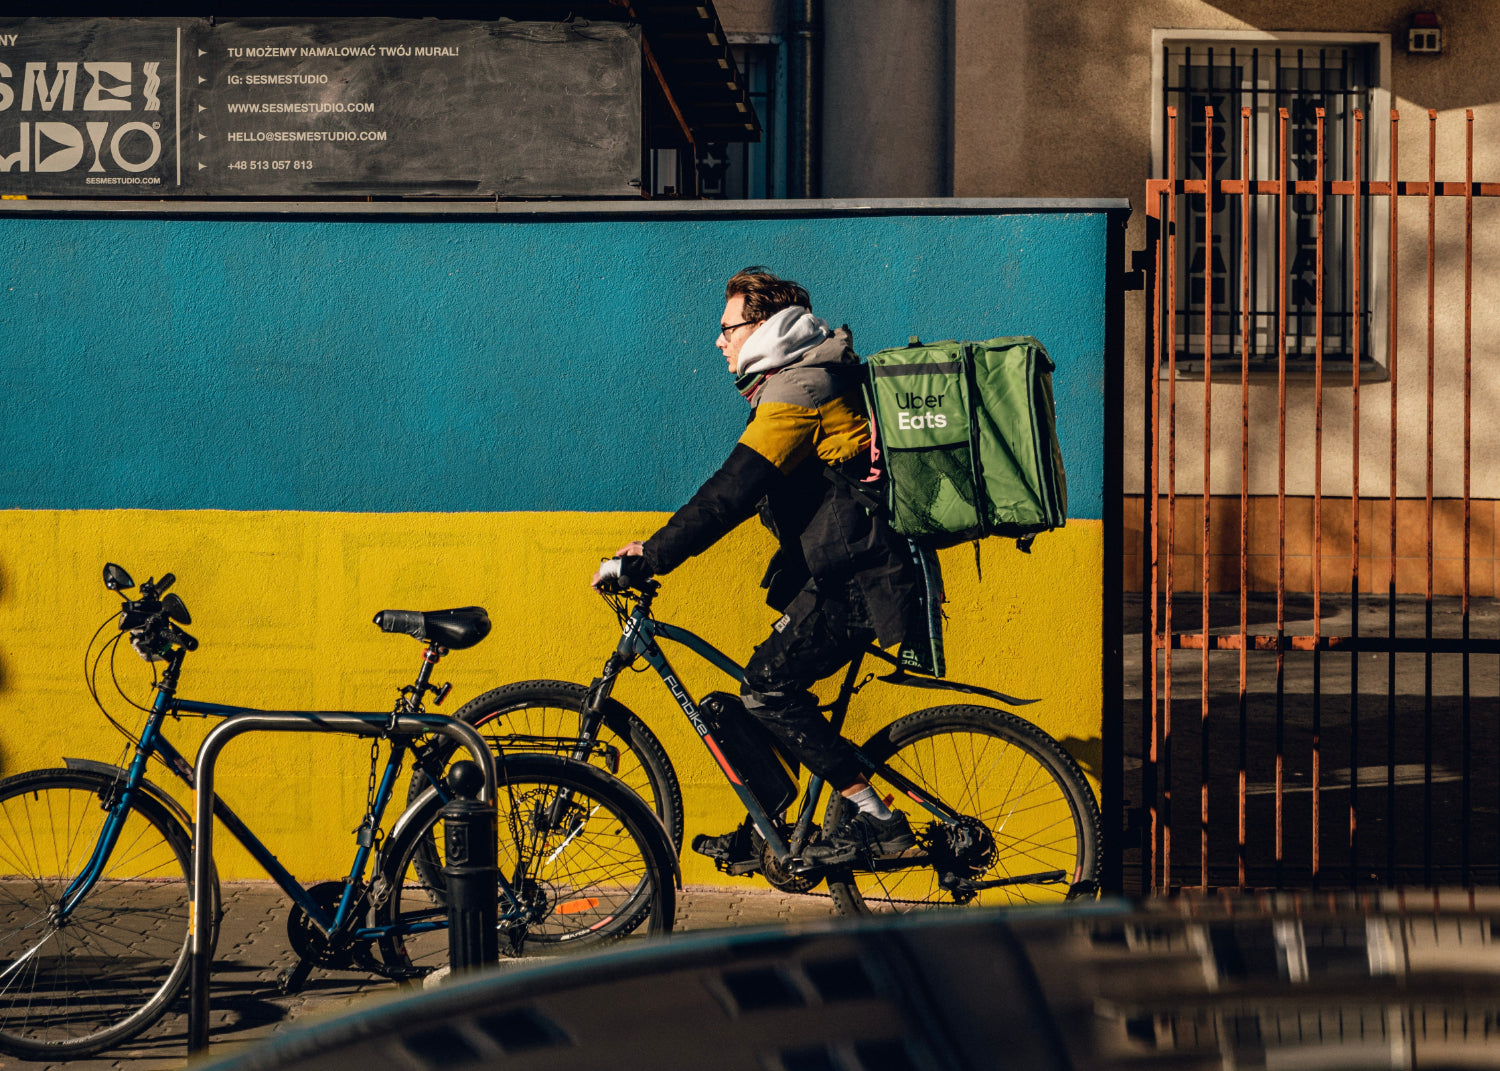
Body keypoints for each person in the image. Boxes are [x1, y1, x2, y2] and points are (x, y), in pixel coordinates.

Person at [590, 266, 922, 865]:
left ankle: (878, 820)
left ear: (766, 326)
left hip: (859, 582)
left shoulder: (802, 390)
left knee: (768, 691)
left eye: (728, 328)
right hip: (839, 576)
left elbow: (733, 492)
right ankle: (774, 828)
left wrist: (652, 555)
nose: (719, 341)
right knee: (750, 696)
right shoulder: (793, 384)